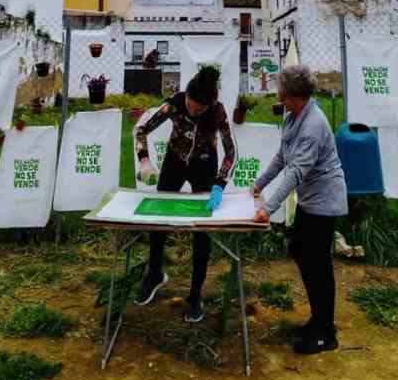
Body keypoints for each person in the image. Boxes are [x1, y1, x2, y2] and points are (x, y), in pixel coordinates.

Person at [251, 65, 347, 354]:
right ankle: (318, 320)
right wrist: (259, 184)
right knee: (302, 255)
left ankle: (325, 333)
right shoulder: (294, 117)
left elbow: (295, 172)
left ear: (298, 95)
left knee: (318, 266)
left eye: (284, 94)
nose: (280, 97)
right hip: (310, 202)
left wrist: (268, 208)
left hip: (325, 203)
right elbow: (283, 156)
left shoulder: (314, 125)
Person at [133, 65, 237, 322]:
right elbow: (141, 129)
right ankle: (155, 273)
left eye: (198, 109)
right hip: (175, 162)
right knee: (158, 219)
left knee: (201, 229)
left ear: (209, 104)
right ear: (186, 96)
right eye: (191, 105)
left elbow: (231, 151)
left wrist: (219, 184)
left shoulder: (218, 111)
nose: (193, 110)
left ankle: (195, 292)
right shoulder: (175, 104)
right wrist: (144, 160)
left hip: (204, 164)